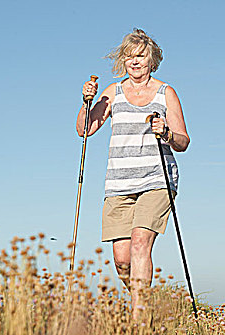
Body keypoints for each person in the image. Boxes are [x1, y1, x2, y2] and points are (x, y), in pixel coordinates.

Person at [76, 28, 190, 317]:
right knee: (122, 260)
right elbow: (85, 130)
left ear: (152, 59)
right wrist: (86, 103)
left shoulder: (166, 93)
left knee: (141, 242)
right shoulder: (112, 93)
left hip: (156, 179)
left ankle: (140, 323)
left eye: (140, 56)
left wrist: (166, 132)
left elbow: (183, 141)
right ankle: (151, 301)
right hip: (118, 183)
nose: (134, 62)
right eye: (129, 57)